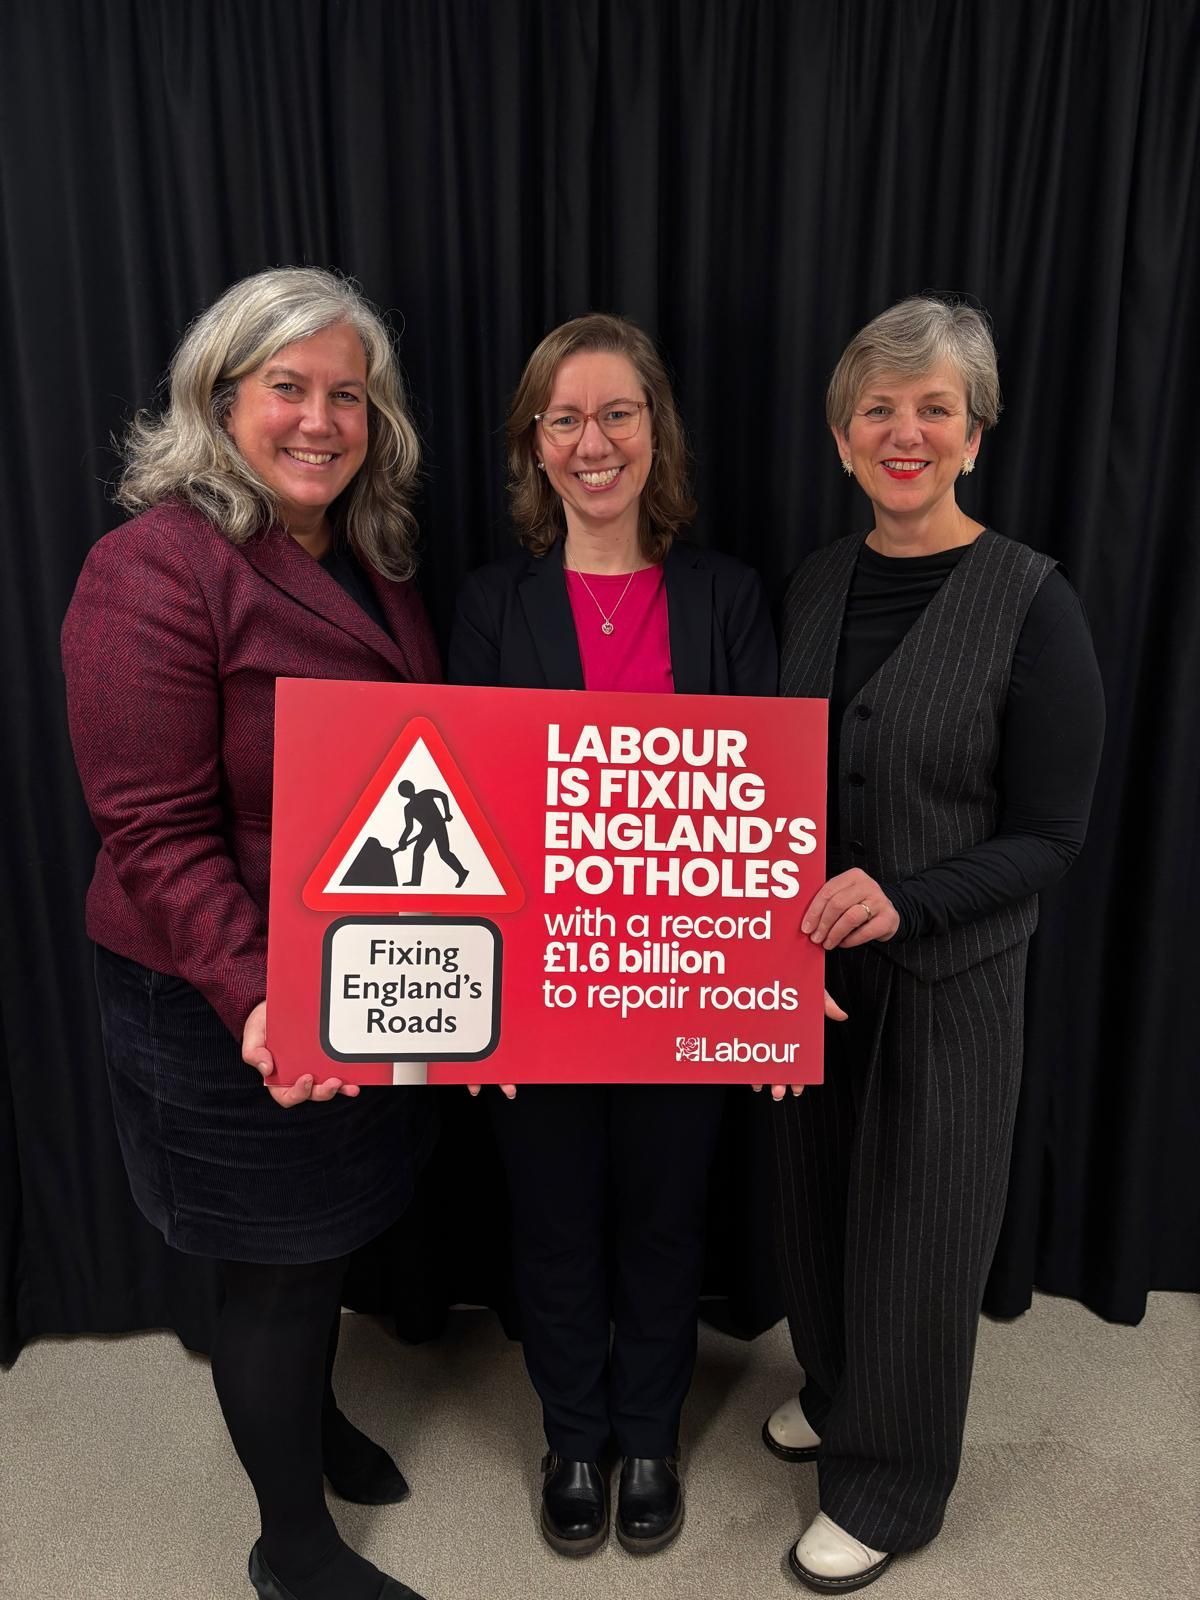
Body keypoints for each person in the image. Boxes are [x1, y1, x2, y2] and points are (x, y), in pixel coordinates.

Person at [62, 267, 439, 1600]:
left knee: (321, 1244)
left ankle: (310, 1424)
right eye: (289, 388)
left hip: (350, 971)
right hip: (220, 993)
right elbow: (154, 829)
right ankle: (294, 1551)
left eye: (349, 394)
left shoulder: (370, 557)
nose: (322, 420)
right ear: (219, 401)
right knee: (276, 1269)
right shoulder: (152, 567)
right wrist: (256, 995)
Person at [766, 295, 1105, 1592]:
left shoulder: (1034, 603)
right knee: (812, 1207)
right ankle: (837, 1390)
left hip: (950, 981)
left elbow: (1054, 836)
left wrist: (910, 898)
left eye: (934, 409)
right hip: (809, 971)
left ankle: (889, 1486)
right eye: (878, 409)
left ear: (974, 435)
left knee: (919, 1235)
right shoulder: (814, 582)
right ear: (842, 437)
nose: (904, 432)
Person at [449, 313, 776, 1557]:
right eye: (567, 419)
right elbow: (470, 813)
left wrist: (766, 993)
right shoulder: (492, 605)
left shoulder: (727, 596)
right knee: (551, 1222)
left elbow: (765, 806)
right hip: (537, 992)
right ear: (536, 445)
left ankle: (648, 1435)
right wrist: (474, 1010)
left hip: (682, 990)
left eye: (618, 414)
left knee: (663, 1220)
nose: (595, 443)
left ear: (656, 431)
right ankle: (573, 1439)